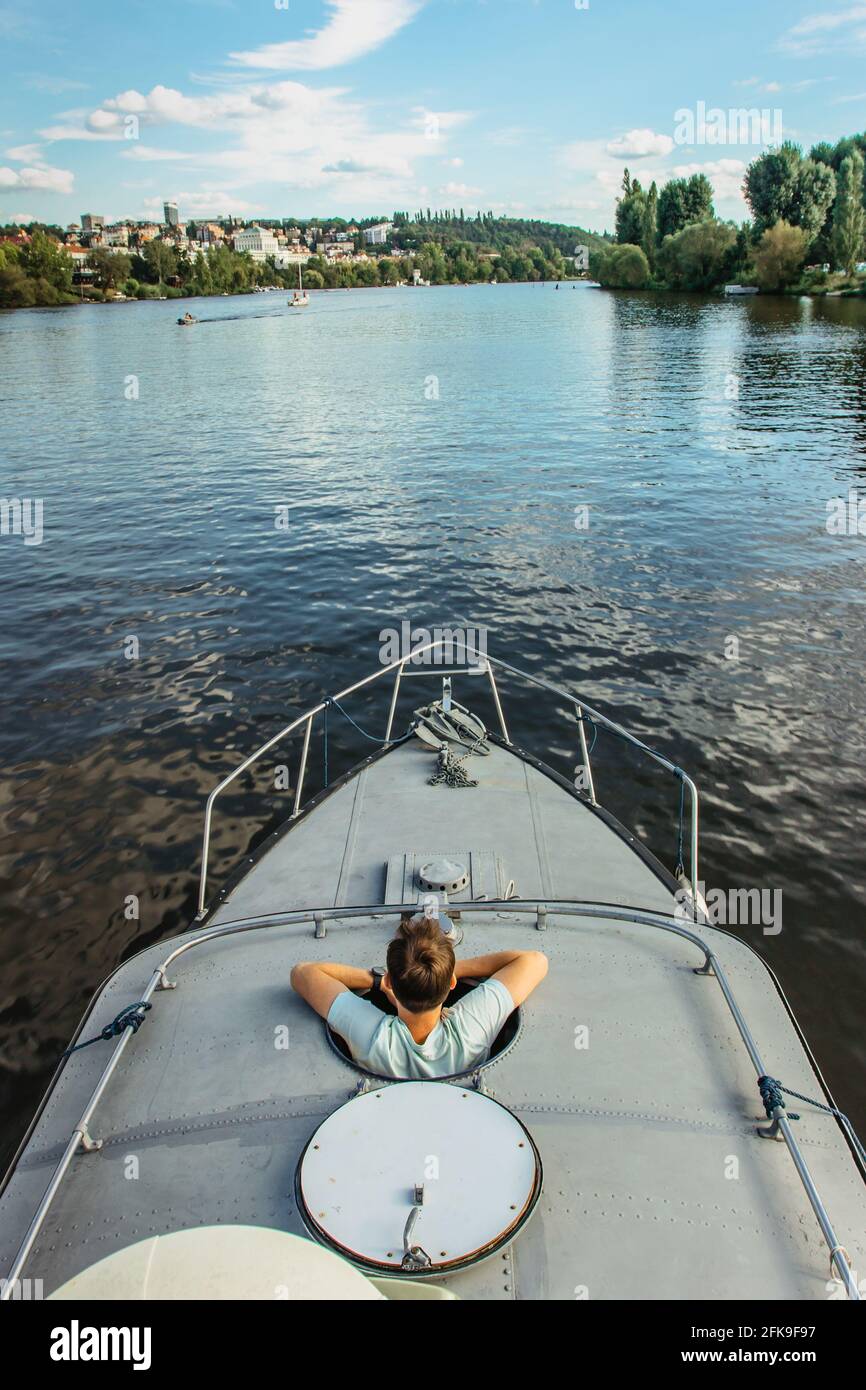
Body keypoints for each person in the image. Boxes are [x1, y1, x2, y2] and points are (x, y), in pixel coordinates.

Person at [290, 914, 548, 1079]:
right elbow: (535, 961)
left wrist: (379, 981)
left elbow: (303, 973)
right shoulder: (472, 1028)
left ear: (391, 981)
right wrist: (441, 970)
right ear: (452, 983)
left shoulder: (369, 1033)